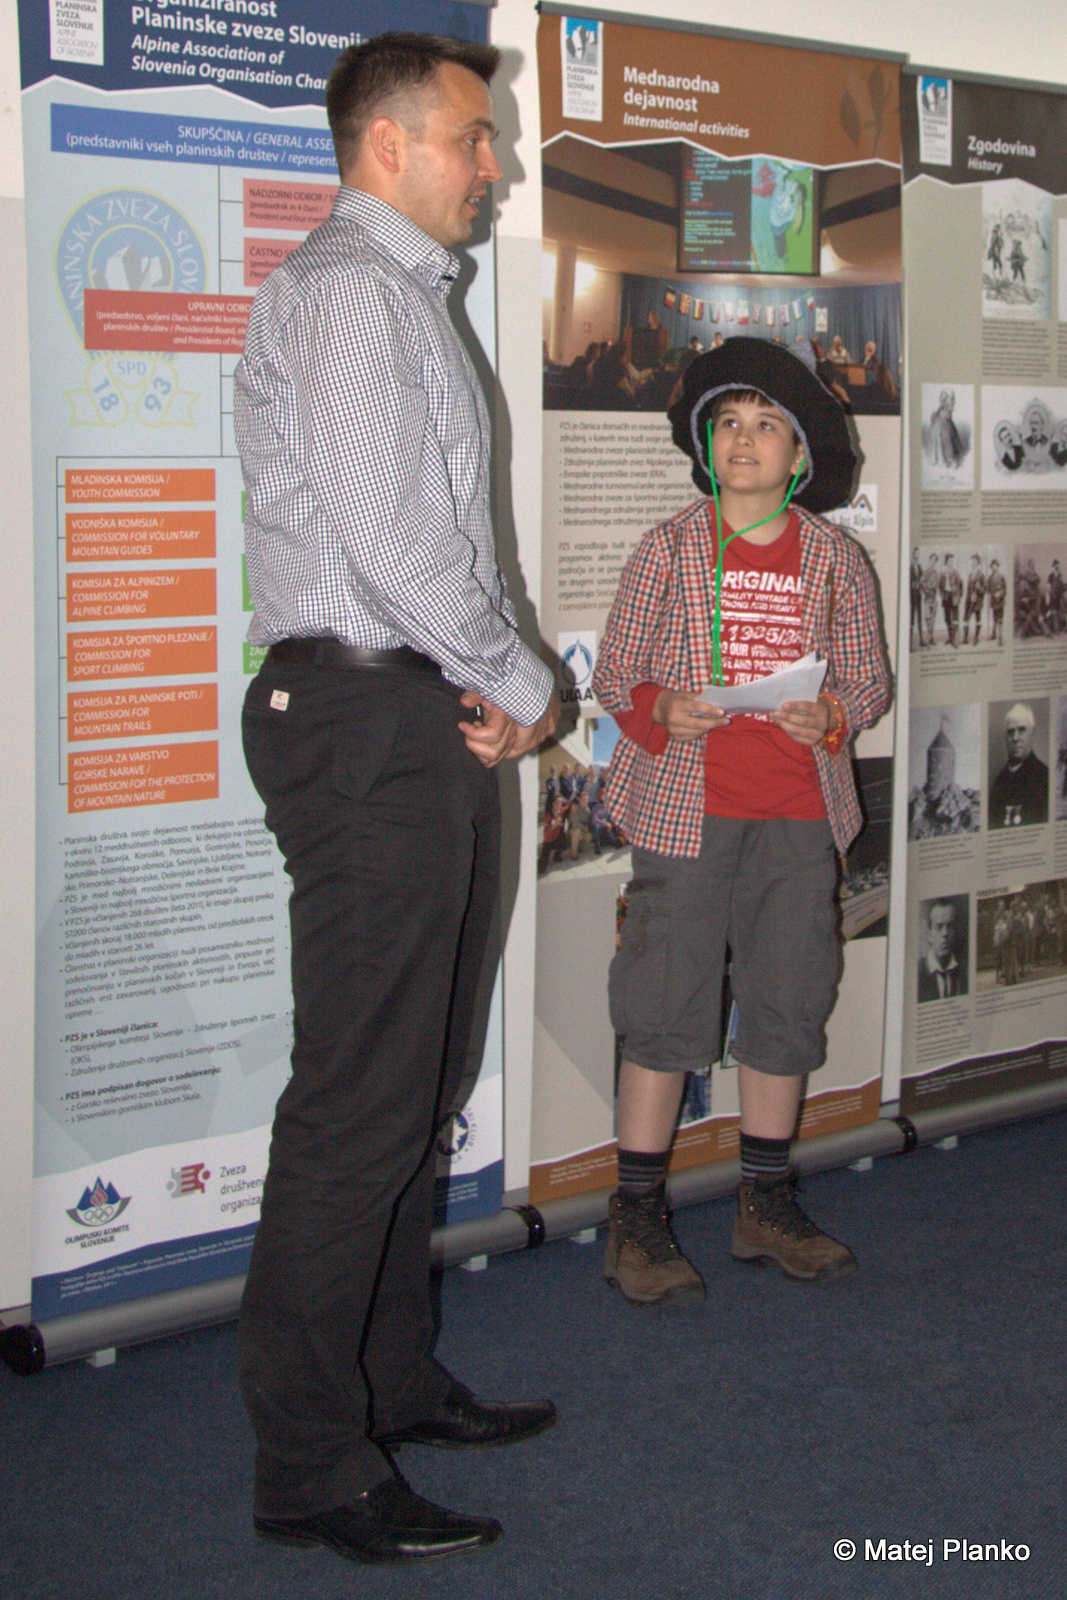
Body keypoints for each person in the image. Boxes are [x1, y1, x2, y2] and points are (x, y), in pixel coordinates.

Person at [233, 33, 560, 1567]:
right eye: (473, 139)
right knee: (360, 1103)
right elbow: (394, 545)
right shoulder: (354, 294)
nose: (495, 165)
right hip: (365, 718)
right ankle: (310, 1464)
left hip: (408, 714)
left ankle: (390, 1381)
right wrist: (527, 682)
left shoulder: (400, 295)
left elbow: (424, 551)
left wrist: (482, 686)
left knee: (412, 1087)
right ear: (388, 146)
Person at [592, 340, 891, 1307]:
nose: (744, 441)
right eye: (728, 424)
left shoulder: (835, 558)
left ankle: (764, 1204)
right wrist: (661, 707)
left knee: (787, 997)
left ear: (799, 454)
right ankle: (637, 1220)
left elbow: (868, 683)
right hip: (686, 813)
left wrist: (831, 713)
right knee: (663, 1003)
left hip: (798, 815)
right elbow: (614, 674)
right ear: (704, 442)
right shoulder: (668, 547)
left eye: (767, 426)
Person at [989, 703, 1049, 828]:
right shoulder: (999, 782)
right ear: (1005, 737)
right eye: (1010, 732)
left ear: (1032, 733)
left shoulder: (1044, 777)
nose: (1015, 738)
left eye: (1021, 730)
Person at [917, 899, 967, 1001]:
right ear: (929, 934)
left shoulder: (964, 972)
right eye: (939, 927)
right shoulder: (918, 973)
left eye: (950, 926)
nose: (945, 933)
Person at [939, 550, 963, 647]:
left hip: (954, 597)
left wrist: (958, 596)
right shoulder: (943, 572)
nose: (951, 562)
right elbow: (940, 587)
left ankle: (954, 640)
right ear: (946, 561)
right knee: (947, 618)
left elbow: (961, 585)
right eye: (949, 560)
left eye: (952, 560)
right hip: (946, 597)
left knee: (955, 618)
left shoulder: (956, 572)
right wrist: (942, 595)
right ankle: (950, 637)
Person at [920, 552, 941, 647]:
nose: (933, 561)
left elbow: (937, 585)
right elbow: (921, 582)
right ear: (930, 560)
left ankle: (930, 638)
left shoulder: (936, 573)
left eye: (935, 560)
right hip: (928, 598)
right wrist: (927, 589)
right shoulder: (927, 571)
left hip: (934, 598)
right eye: (932, 559)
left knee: (932, 618)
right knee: (927, 617)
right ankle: (930, 637)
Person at [987, 557, 1006, 645]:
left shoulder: (1001, 576)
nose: (993, 567)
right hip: (993, 600)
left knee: (1000, 619)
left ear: (998, 566)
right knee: (994, 617)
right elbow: (988, 590)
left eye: (995, 566)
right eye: (992, 566)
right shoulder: (990, 578)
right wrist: (989, 599)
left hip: (1000, 600)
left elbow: (1005, 589)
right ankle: (993, 634)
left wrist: (1000, 594)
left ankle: (1000, 636)